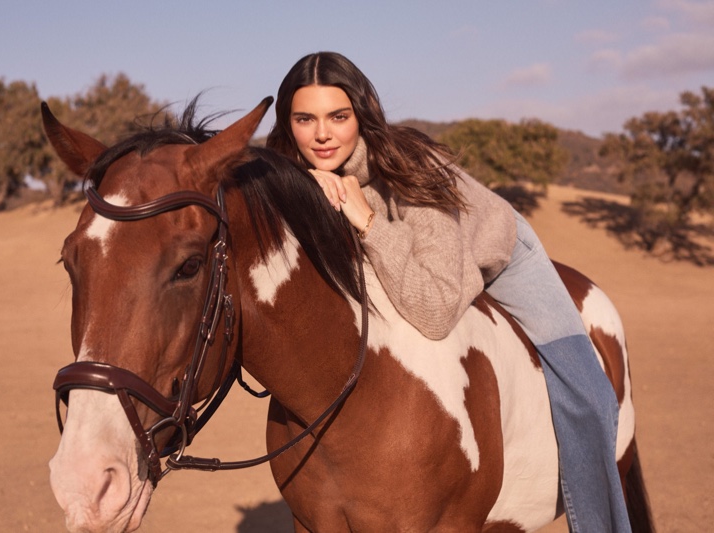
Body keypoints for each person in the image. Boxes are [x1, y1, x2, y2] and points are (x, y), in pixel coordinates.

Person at [266, 51, 630, 533]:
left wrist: (367, 220)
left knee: (590, 396)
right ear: (288, 124)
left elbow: (435, 308)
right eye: (304, 119)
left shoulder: (411, 168)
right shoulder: (292, 176)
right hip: (406, 265)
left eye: (338, 116)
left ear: (362, 113)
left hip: (496, 257)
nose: (322, 134)